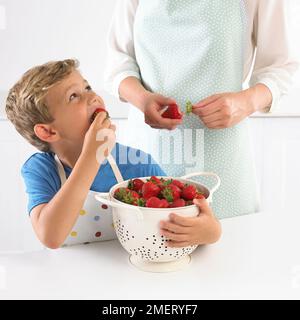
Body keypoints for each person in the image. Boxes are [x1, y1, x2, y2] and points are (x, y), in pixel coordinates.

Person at [104, 0, 299, 219]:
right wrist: (142, 99)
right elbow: (119, 60)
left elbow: (281, 67)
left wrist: (244, 102)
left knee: (228, 248)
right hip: (148, 152)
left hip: (221, 158)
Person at [5, 59, 221, 249]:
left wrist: (211, 232)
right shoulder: (40, 170)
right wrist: (92, 156)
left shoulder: (139, 165)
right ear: (48, 131)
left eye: (87, 87)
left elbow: (185, 217)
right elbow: (50, 237)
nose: (92, 97)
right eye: (73, 96)